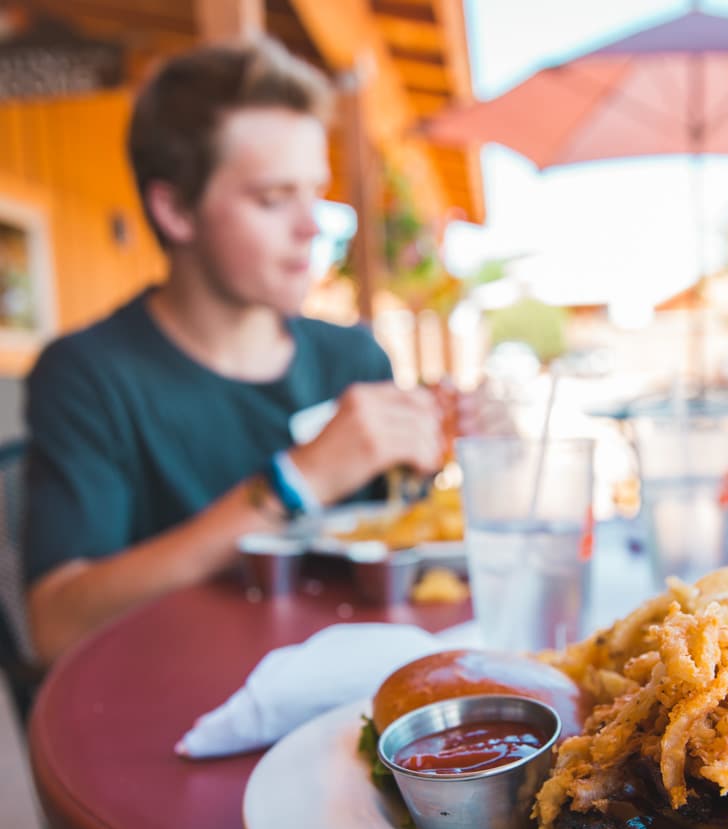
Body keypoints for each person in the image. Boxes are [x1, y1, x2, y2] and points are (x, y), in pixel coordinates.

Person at [24, 37, 448, 665]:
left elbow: (402, 556)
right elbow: (55, 625)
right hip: (173, 712)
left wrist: (435, 453)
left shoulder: (353, 361)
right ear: (174, 209)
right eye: (274, 199)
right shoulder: (89, 374)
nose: (313, 225)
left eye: (315, 194)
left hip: (352, 696)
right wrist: (297, 480)